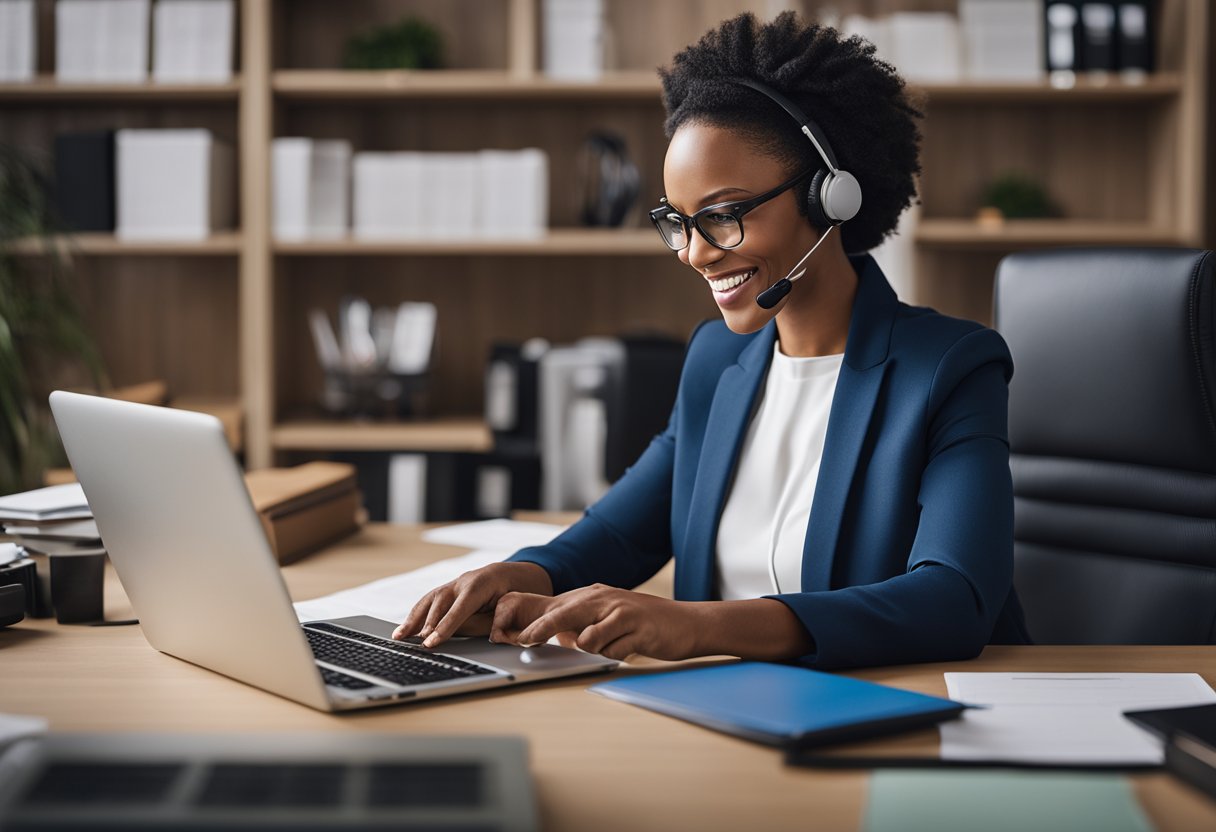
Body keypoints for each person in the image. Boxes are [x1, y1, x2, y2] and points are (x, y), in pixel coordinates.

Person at [394, 11, 1030, 669]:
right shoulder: (717, 358)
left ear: (829, 197)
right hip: (722, 715)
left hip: (897, 716)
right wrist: (522, 576)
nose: (695, 254)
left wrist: (697, 627)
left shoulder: (948, 368)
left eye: (722, 217)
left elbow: (953, 600)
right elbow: (620, 532)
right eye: (679, 222)